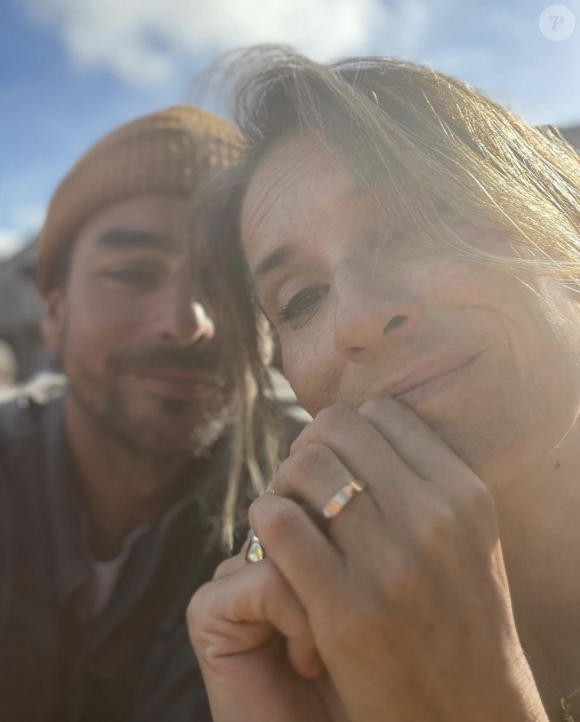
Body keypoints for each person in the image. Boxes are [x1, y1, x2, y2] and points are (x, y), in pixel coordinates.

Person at [186, 47, 580, 722]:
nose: (360, 317)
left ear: (557, 220)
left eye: (416, 224)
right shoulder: (308, 632)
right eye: (303, 297)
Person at [0, 104, 307, 722]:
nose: (187, 321)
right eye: (132, 273)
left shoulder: (315, 489)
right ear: (53, 315)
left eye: (226, 284)